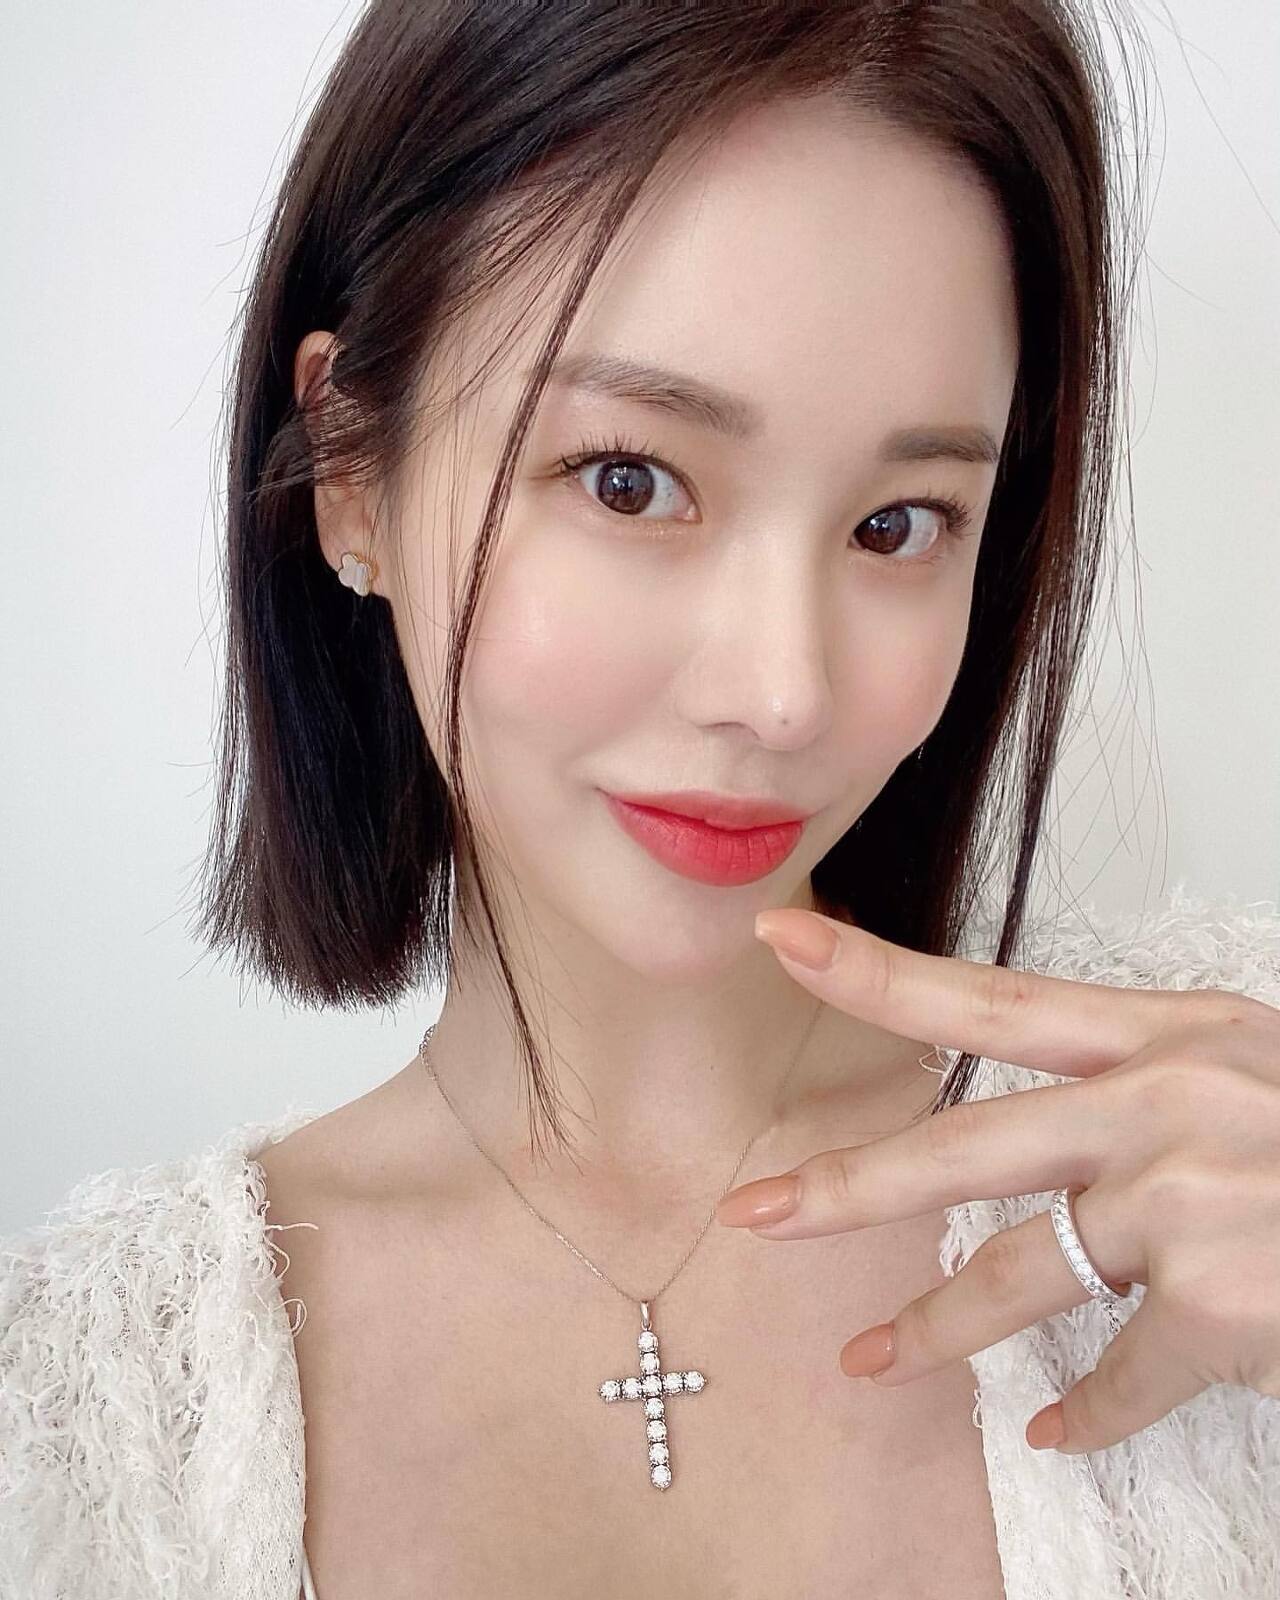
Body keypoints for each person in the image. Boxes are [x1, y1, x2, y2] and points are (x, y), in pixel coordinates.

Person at [3, 2, 1279, 1597]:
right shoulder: (70, 1422)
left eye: (898, 523)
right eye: (631, 481)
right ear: (350, 469)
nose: (783, 691)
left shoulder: (1238, 1134)